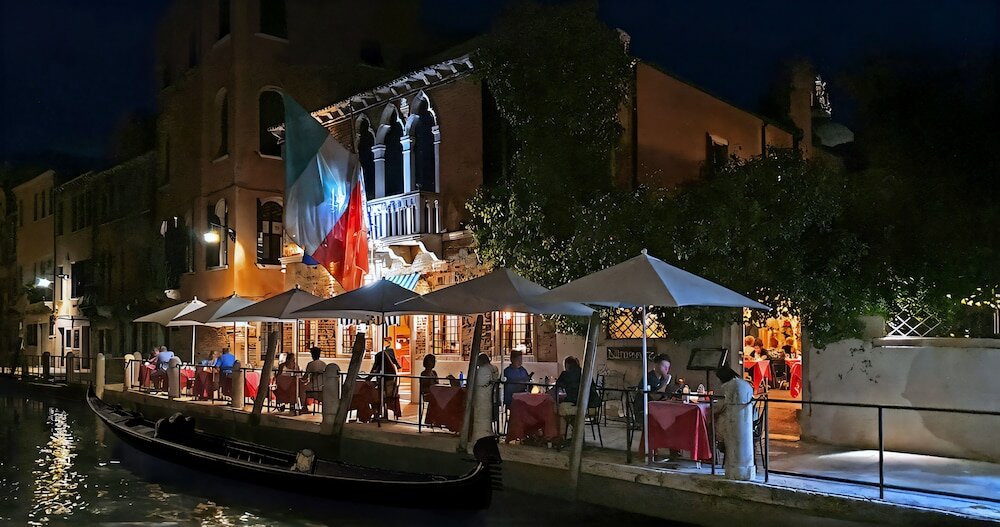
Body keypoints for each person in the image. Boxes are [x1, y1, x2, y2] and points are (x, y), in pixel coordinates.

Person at [713, 366, 756, 480]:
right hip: (751, 421)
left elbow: (720, 407)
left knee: (711, 424)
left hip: (732, 421)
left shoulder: (729, 387)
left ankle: (713, 451)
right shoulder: (743, 384)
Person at [553, 356, 600, 439]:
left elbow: (556, 388)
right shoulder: (585, 373)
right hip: (592, 404)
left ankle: (564, 436)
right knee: (568, 411)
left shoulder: (566, 374)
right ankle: (577, 436)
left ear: (567, 365)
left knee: (558, 409)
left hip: (579, 404)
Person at [471, 353, 500, 444]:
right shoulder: (494, 369)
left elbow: (478, 383)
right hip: (490, 396)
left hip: (481, 396)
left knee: (480, 416)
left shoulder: (483, 370)